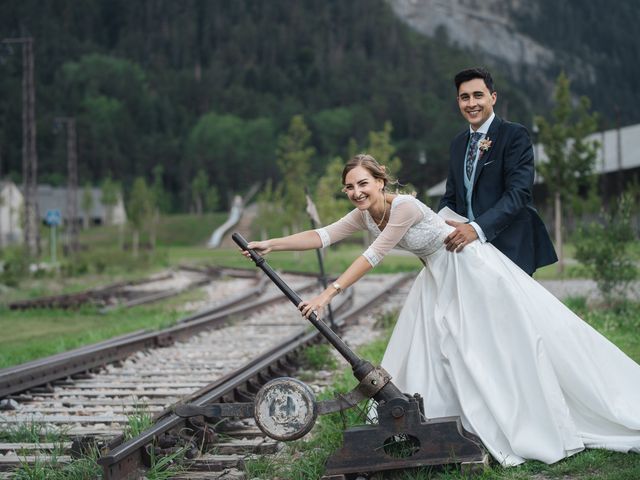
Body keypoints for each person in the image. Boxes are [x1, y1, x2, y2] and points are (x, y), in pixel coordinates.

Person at [243, 153, 640, 466]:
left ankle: (520, 421)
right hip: (437, 275)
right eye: (349, 187)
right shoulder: (366, 213)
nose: (356, 192)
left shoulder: (404, 208)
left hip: (469, 270)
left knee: (485, 348)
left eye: (363, 184)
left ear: (381, 181)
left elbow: (374, 254)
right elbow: (323, 235)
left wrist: (327, 294)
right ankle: (451, 426)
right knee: (440, 353)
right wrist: (270, 244)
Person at [439, 67, 557, 275]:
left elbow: (518, 193)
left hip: (510, 246)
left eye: (478, 95)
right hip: (468, 252)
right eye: (465, 97)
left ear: (493, 98)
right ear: (458, 102)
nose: (471, 103)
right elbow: (451, 196)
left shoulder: (514, 135)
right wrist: (438, 227)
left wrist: (475, 229)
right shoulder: (458, 144)